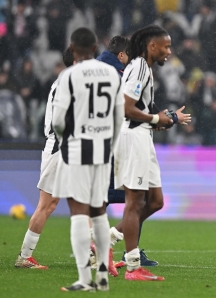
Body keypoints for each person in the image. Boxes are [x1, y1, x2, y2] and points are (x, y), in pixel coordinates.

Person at [112, 25, 191, 281]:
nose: (169, 51)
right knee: (134, 203)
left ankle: (108, 239)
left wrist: (163, 119)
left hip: (143, 135)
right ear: (152, 45)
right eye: (166, 46)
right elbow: (126, 108)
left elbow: (142, 110)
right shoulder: (138, 68)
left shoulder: (144, 68)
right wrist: (155, 117)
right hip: (133, 137)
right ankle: (133, 268)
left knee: (156, 201)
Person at [52, 27, 124, 291]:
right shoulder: (112, 74)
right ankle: (103, 275)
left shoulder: (69, 75)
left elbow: (58, 120)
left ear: (72, 49)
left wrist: (67, 141)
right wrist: (110, 144)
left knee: (78, 214)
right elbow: (118, 117)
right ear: (95, 49)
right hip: (103, 149)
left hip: (77, 147)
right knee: (98, 213)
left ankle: (85, 279)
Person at [95, 35, 158, 270]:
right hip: (115, 140)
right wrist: (156, 117)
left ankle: (103, 248)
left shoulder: (98, 70)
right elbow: (127, 107)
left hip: (103, 139)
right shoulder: (117, 73)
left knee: (107, 197)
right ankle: (108, 248)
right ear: (122, 55)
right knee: (136, 198)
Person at [14, 49, 74, 270]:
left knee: (82, 203)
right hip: (59, 148)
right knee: (47, 205)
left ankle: (96, 258)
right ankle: (24, 256)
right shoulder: (65, 84)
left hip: (67, 148)